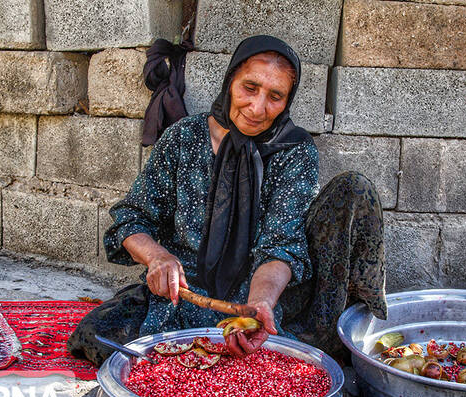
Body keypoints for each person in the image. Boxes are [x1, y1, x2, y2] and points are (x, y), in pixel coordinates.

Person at [68, 35, 386, 366]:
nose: (258, 107)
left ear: (287, 102)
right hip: (186, 292)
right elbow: (131, 219)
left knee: (355, 187)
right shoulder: (183, 138)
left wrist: (258, 306)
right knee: (96, 334)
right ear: (231, 79)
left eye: (275, 97)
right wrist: (158, 258)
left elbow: (282, 246)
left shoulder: (294, 150)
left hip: (260, 293)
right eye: (250, 87)